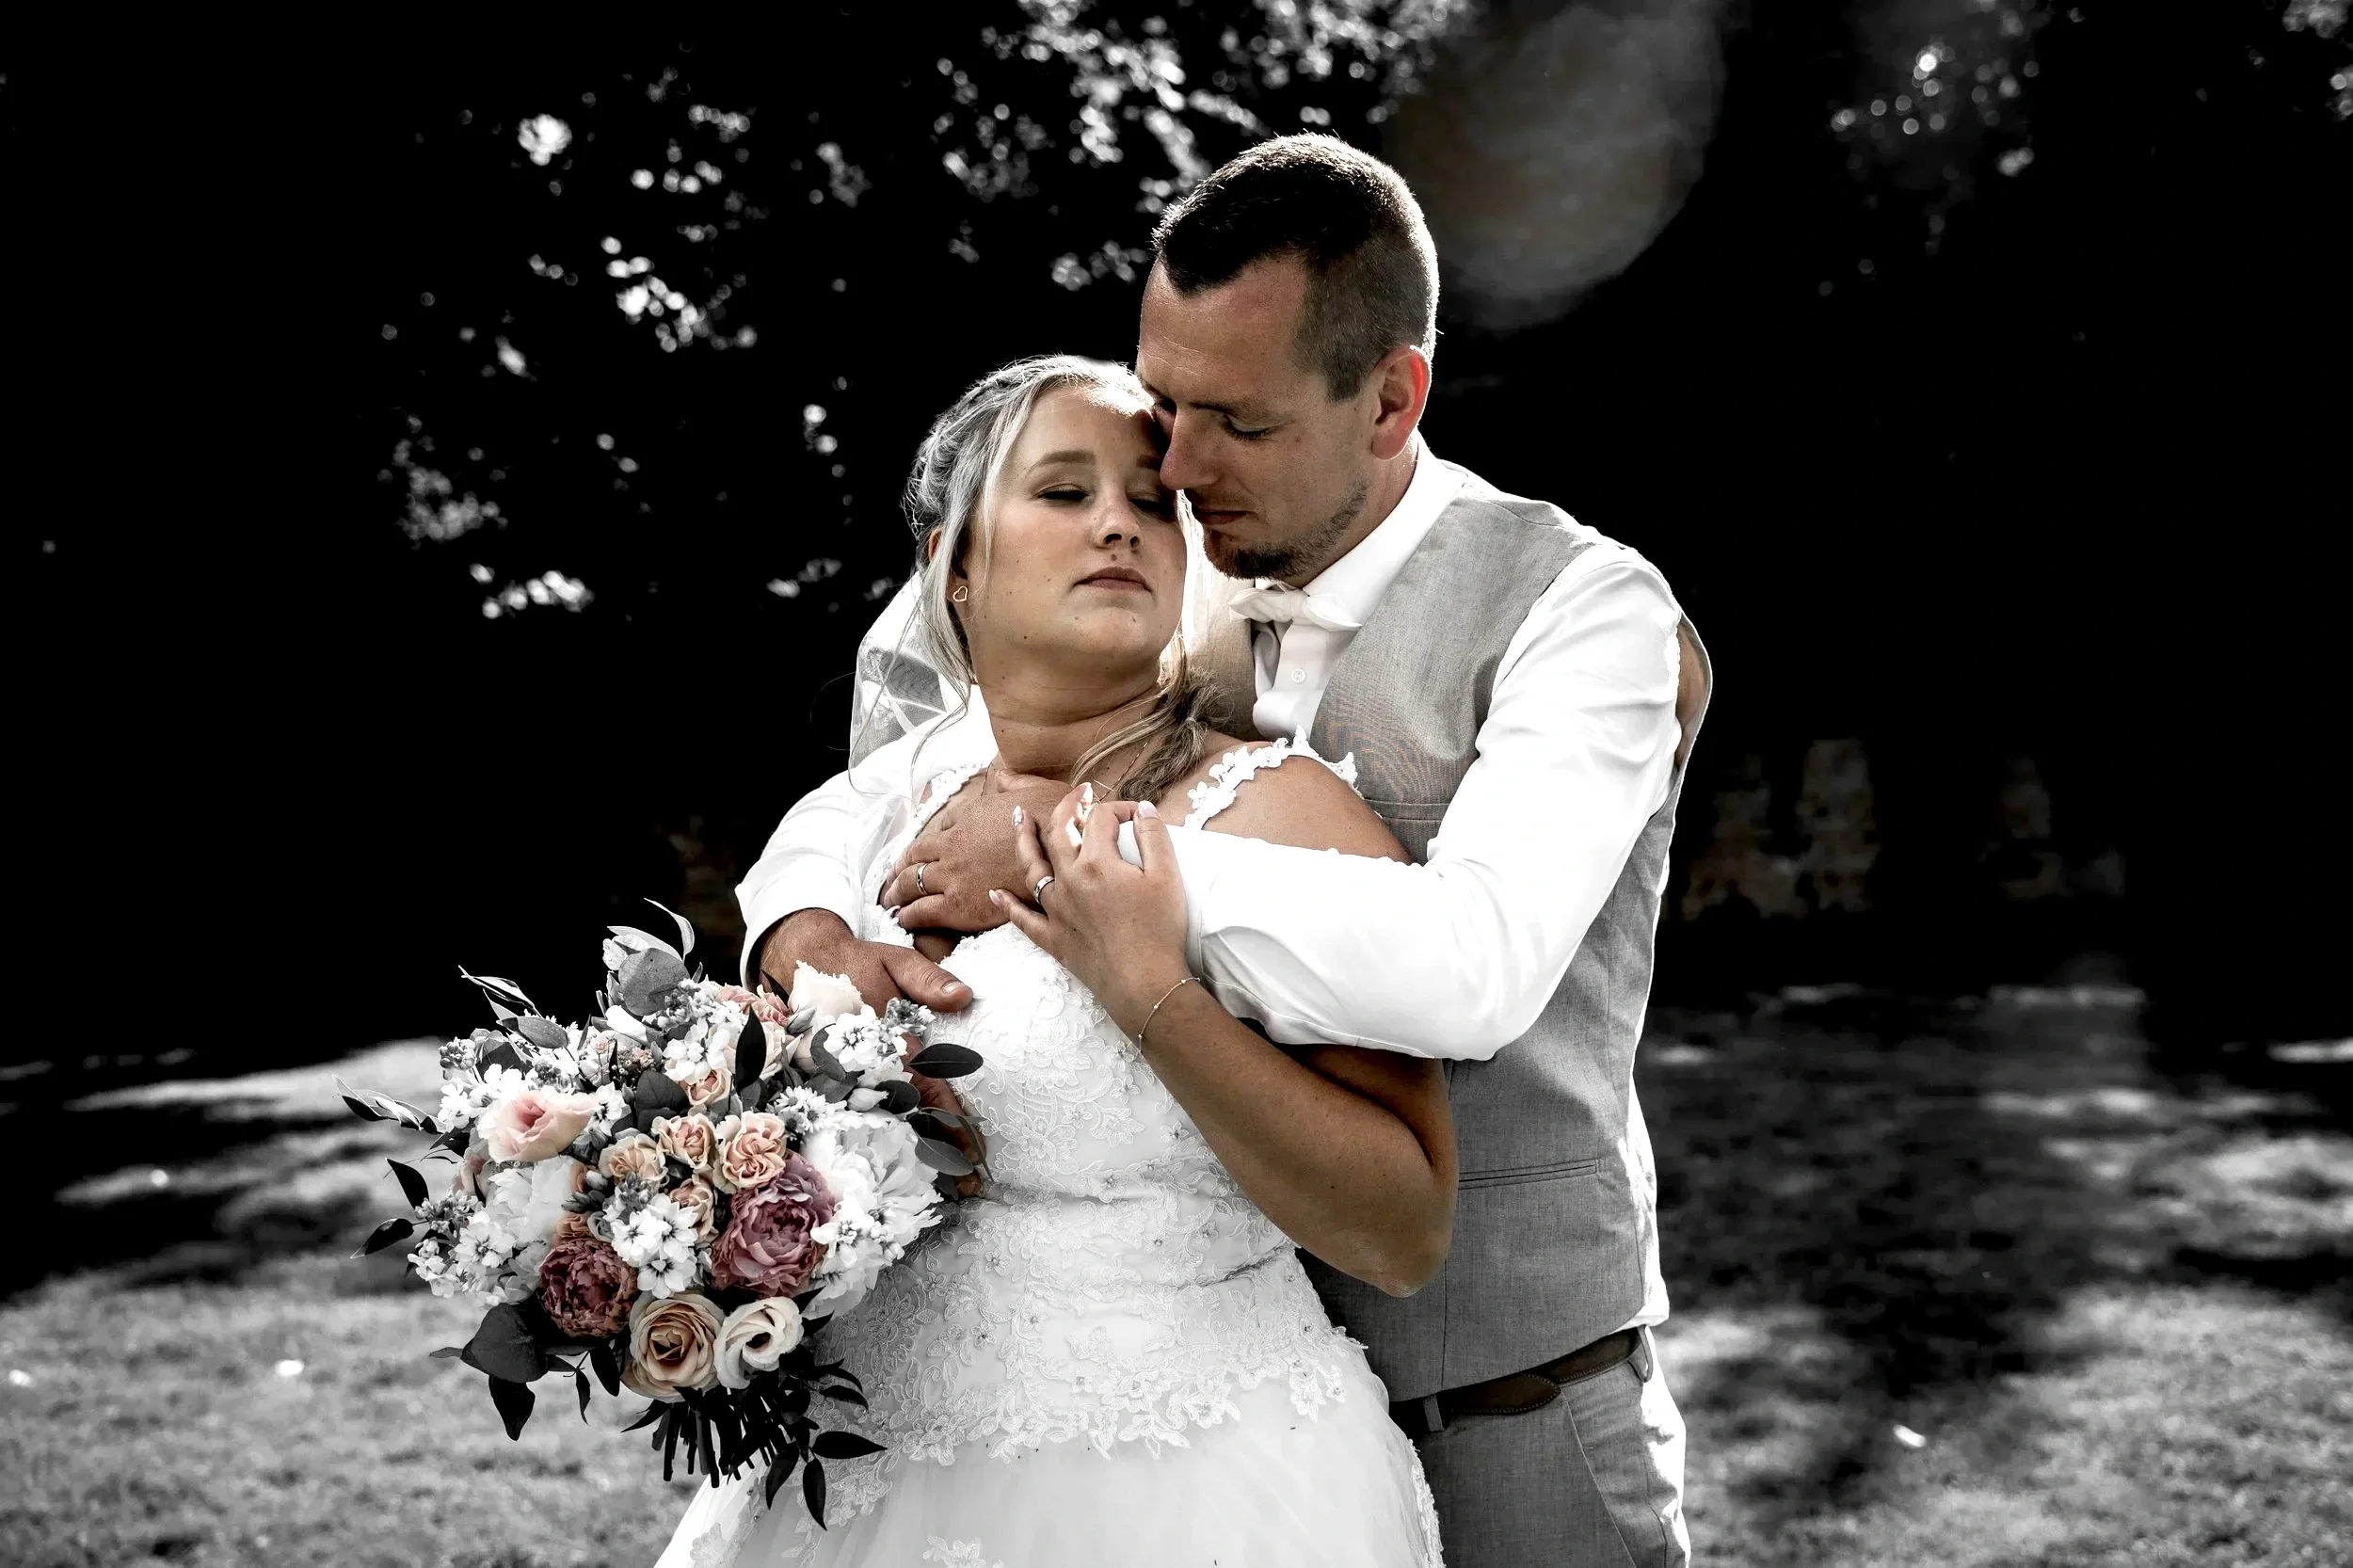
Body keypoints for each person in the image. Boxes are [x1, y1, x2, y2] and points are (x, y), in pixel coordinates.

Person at [740, 136, 1711, 1568]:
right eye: (1165, 405)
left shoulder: (1582, 611)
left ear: (1392, 399)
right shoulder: (1182, 580)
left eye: (1232, 425)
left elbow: (1476, 961)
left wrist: (1087, 852)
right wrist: (803, 931)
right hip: (1167, 1396)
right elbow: (887, 786)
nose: (1173, 471)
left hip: (1500, 1407)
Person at [659, 354, 1454, 1566]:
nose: (1118, 526)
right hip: (854, 1482)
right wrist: (807, 966)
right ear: (955, 569)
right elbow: (794, 874)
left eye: (1149, 500)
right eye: (1064, 492)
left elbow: (1403, 1228)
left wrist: (1142, 982)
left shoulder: (1281, 814)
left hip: (1199, 1484)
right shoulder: (881, 809)